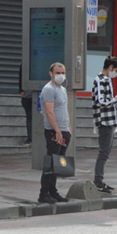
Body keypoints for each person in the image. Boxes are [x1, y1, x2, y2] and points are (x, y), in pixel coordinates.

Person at [38, 62, 72, 204]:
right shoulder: (49, 89)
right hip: (53, 131)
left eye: (62, 72)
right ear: (51, 73)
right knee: (51, 163)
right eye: (57, 73)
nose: (60, 75)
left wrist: (68, 129)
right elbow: (49, 112)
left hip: (64, 130)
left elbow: (64, 110)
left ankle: (53, 191)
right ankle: (43, 193)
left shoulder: (62, 89)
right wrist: (57, 130)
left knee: (58, 164)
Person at [92, 58, 117, 194]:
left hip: (109, 120)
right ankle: (98, 181)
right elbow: (101, 101)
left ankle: (99, 180)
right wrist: (115, 99)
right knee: (103, 152)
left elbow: (104, 99)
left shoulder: (106, 80)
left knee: (105, 152)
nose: (116, 74)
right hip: (104, 121)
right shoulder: (101, 80)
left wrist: (115, 98)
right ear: (110, 67)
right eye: (116, 71)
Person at [18, 64, 32, 145]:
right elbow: (20, 78)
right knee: (29, 117)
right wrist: (21, 91)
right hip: (26, 95)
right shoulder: (24, 63)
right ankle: (30, 138)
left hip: (38, 95)